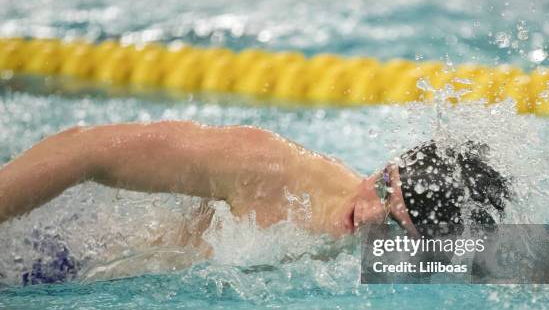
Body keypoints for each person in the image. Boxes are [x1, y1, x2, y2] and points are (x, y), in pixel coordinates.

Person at [0, 121, 510, 242]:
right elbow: (85, 150)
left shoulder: (407, 251)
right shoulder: (264, 165)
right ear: (384, 169)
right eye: (382, 191)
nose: (372, 216)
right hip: (59, 260)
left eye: (396, 223)